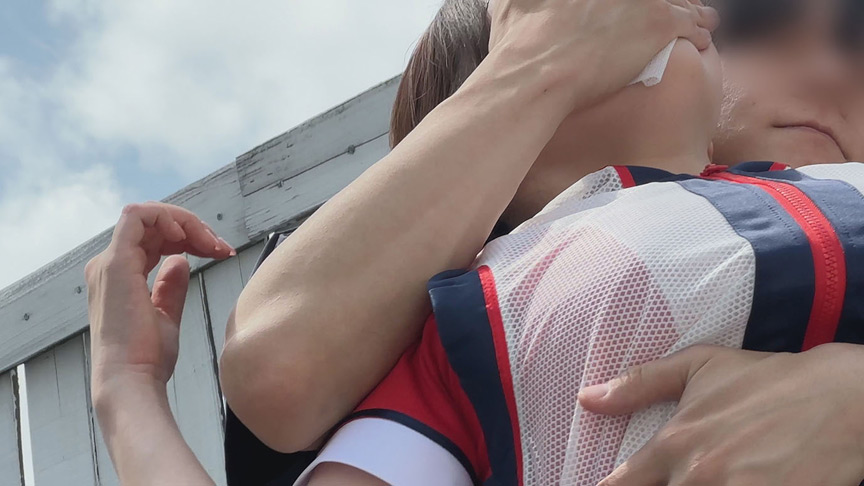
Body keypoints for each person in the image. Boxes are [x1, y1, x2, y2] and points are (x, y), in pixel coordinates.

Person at [220, 0, 864, 484]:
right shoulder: (472, 317)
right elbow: (279, 371)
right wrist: (540, 62)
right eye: (758, 16)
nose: (834, 71)